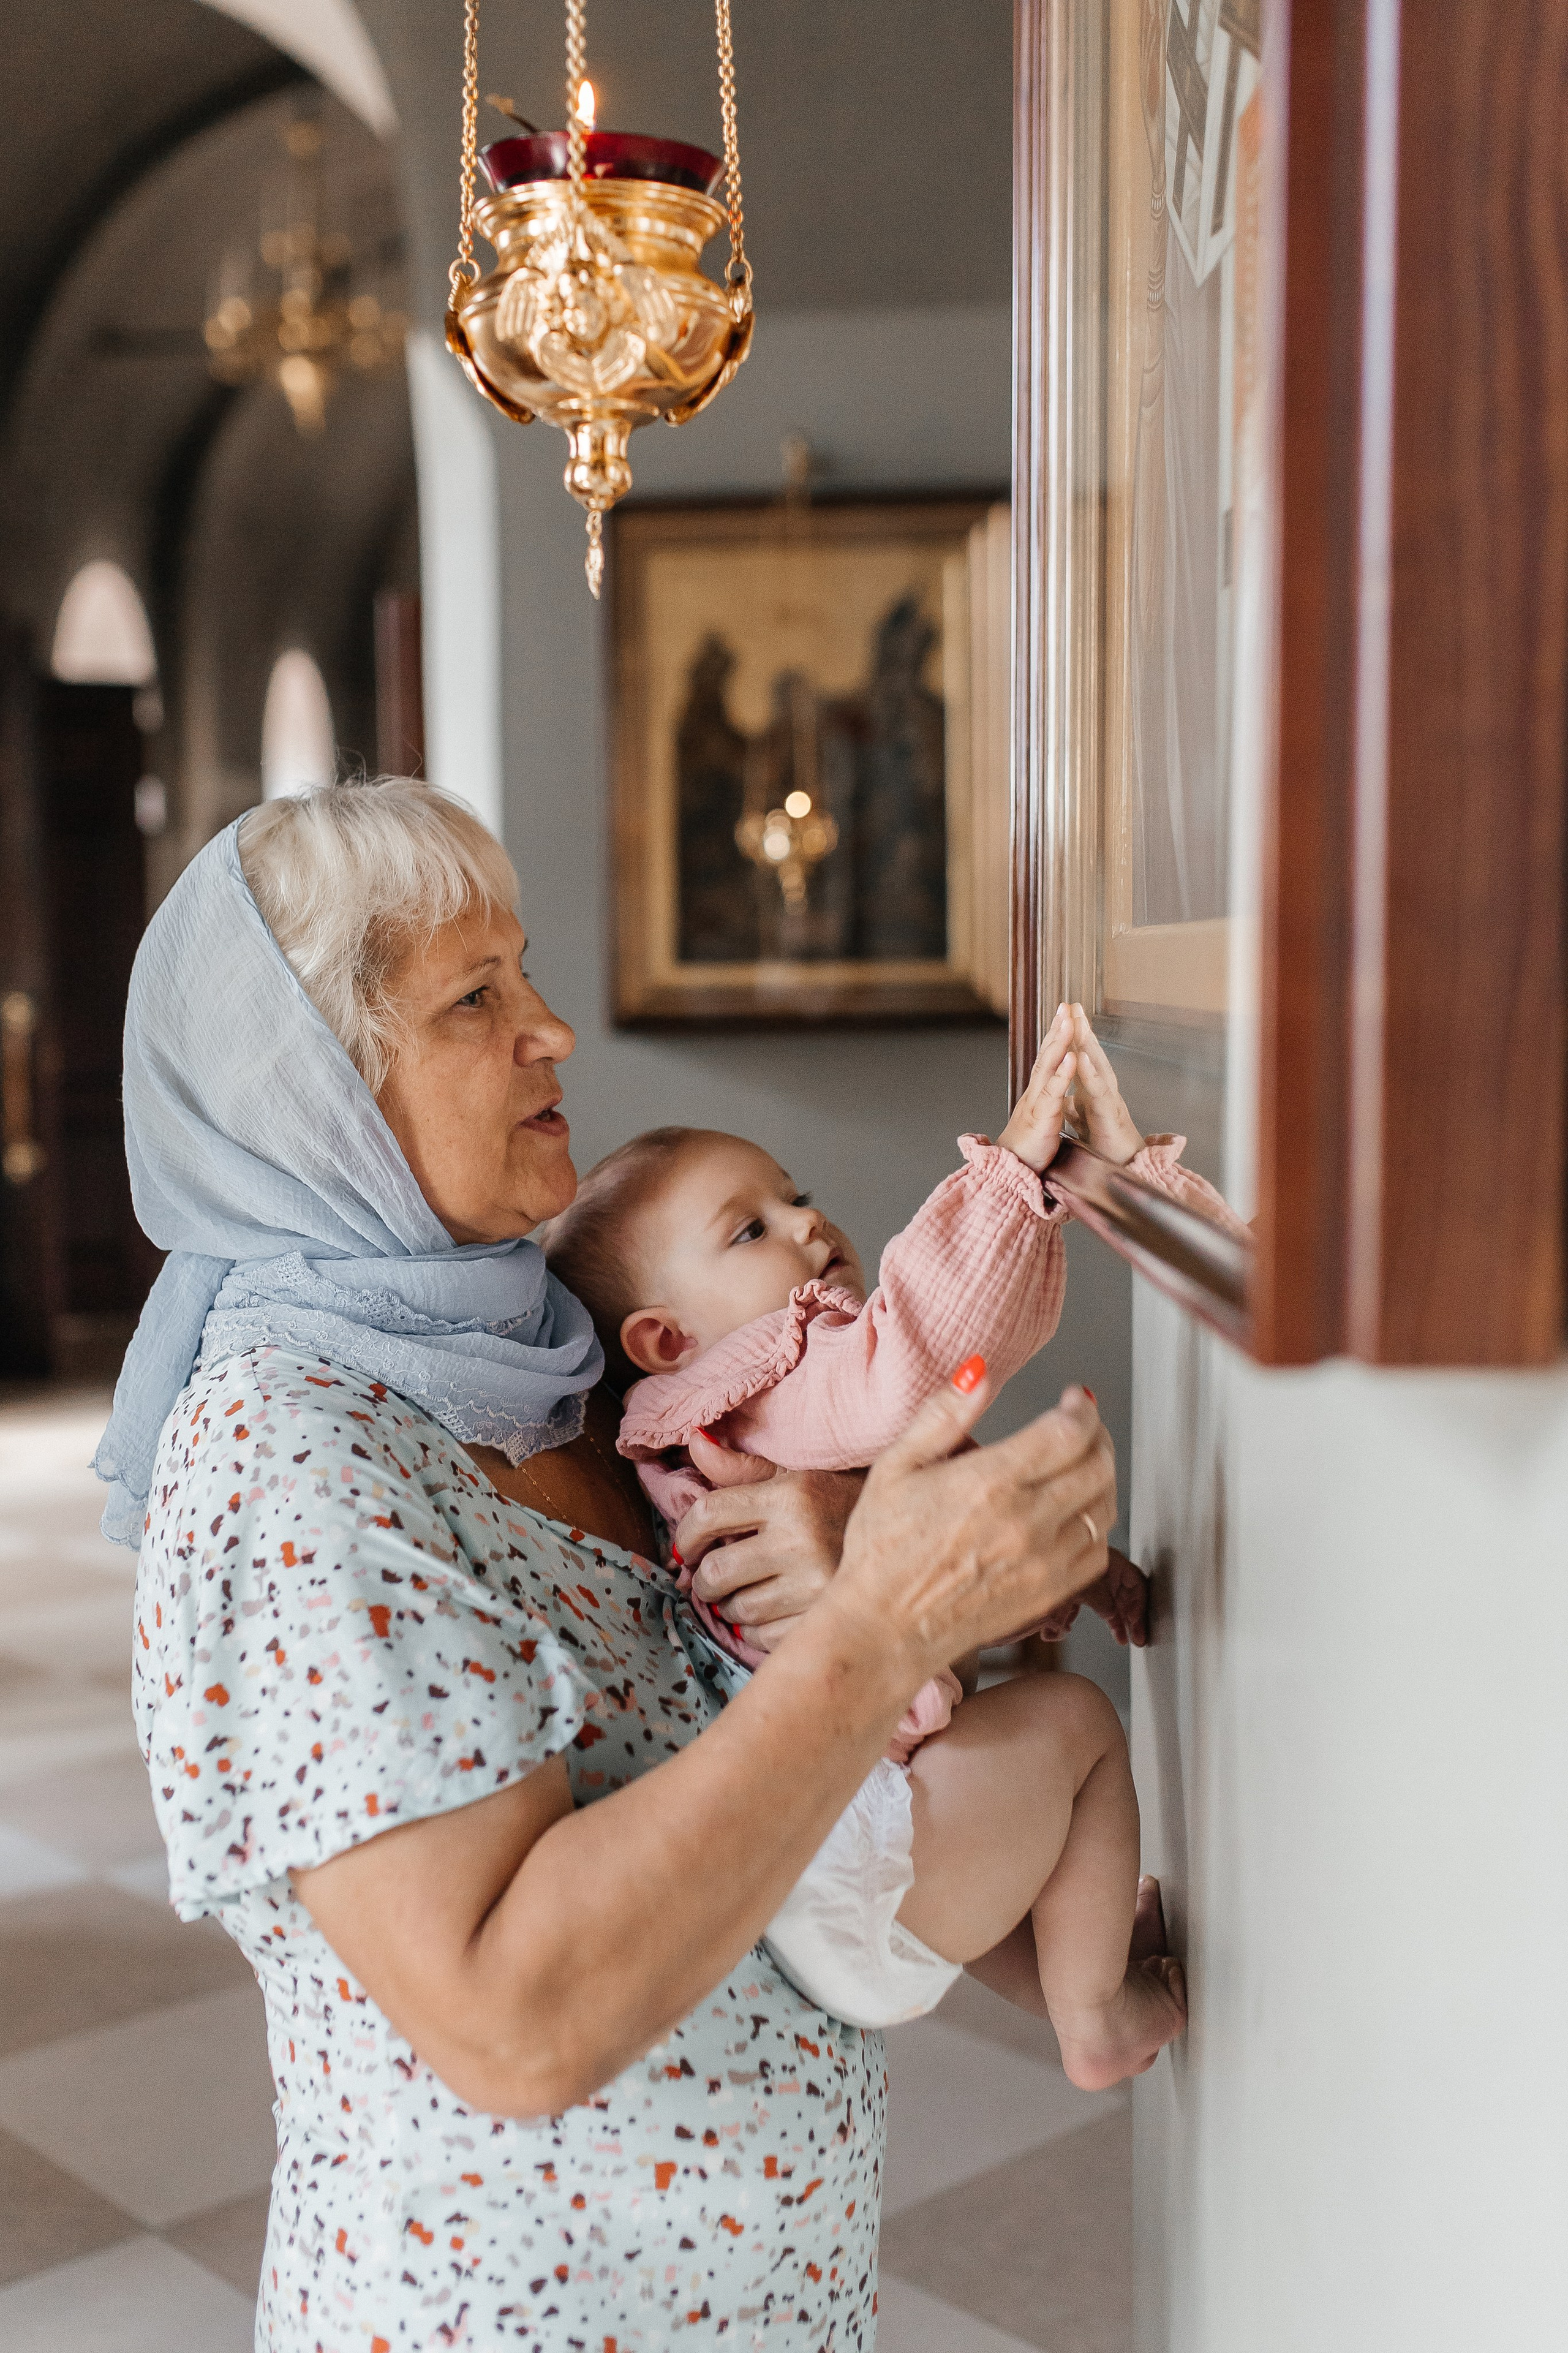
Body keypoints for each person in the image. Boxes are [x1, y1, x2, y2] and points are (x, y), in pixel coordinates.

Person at [96, 777, 1140, 2352]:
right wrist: (874, 1631)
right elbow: (510, 2021)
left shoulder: (562, 1364)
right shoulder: (292, 1460)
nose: (551, 1031)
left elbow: (770, 1757)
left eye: (521, 974)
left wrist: (855, 1564)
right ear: (315, 1087)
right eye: (475, 995)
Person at [538, 1014, 1216, 2071]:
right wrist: (1006, 1183)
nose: (806, 1227)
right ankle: (1095, 2015)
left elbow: (943, 1517)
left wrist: (1084, 1573)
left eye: (794, 1196)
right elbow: (912, 1362)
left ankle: (1064, 1963)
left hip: (814, 1853)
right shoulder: (765, 1378)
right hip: (862, 1835)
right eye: (749, 1231)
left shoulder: (709, 1421)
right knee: (1078, 1723)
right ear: (667, 1339)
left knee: (996, 1749)